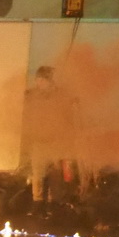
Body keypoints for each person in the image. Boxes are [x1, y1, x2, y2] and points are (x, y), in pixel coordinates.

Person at [25, 66, 76, 209]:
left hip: (55, 142)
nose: (39, 83)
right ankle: (38, 204)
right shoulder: (31, 95)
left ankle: (54, 203)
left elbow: (68, 115)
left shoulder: (60, 95)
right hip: (38, 142)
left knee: (55, 175)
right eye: (38, 80)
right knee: (38, 175)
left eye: (42, 80)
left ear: (50, 81)